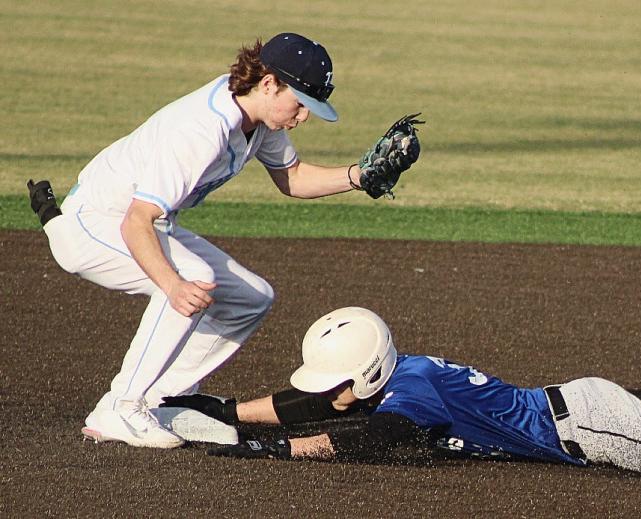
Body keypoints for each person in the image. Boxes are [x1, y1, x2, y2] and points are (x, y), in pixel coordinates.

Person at [27, 33, 420, 449]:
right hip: (95, 226)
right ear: (269, 83)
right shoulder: (202, 129)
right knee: (190, 278)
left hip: (139, 225)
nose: (303, 116)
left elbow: (294, 178)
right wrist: (173, 285)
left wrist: (358, 176)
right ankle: (120, 406)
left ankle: (161, 401)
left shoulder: (257, 118)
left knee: (251, 297)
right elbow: (135, 222)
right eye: (301, 103)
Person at [161, 307, 641, 481]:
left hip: (591, 427)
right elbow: (316, 404)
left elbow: (368, 439)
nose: (325, 394)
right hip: (580, 409)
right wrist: (230, 409)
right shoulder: (396, 374)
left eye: (334, 384)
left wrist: (259, 446)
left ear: (361, 377)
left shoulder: (411, 399)